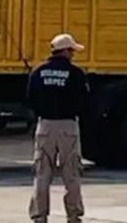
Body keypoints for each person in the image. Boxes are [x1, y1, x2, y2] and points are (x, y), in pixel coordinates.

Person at [27, 33, 90, 223]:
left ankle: (39, 216)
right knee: (71, 173)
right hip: (68, 126)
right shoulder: (76, 74)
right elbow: (84, 101)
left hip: (45, 125)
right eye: (72, 51)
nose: (73, 55)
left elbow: (30, 99)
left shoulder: (38, 72)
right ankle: (73, 215)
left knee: (42, 173)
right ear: (66, 51)